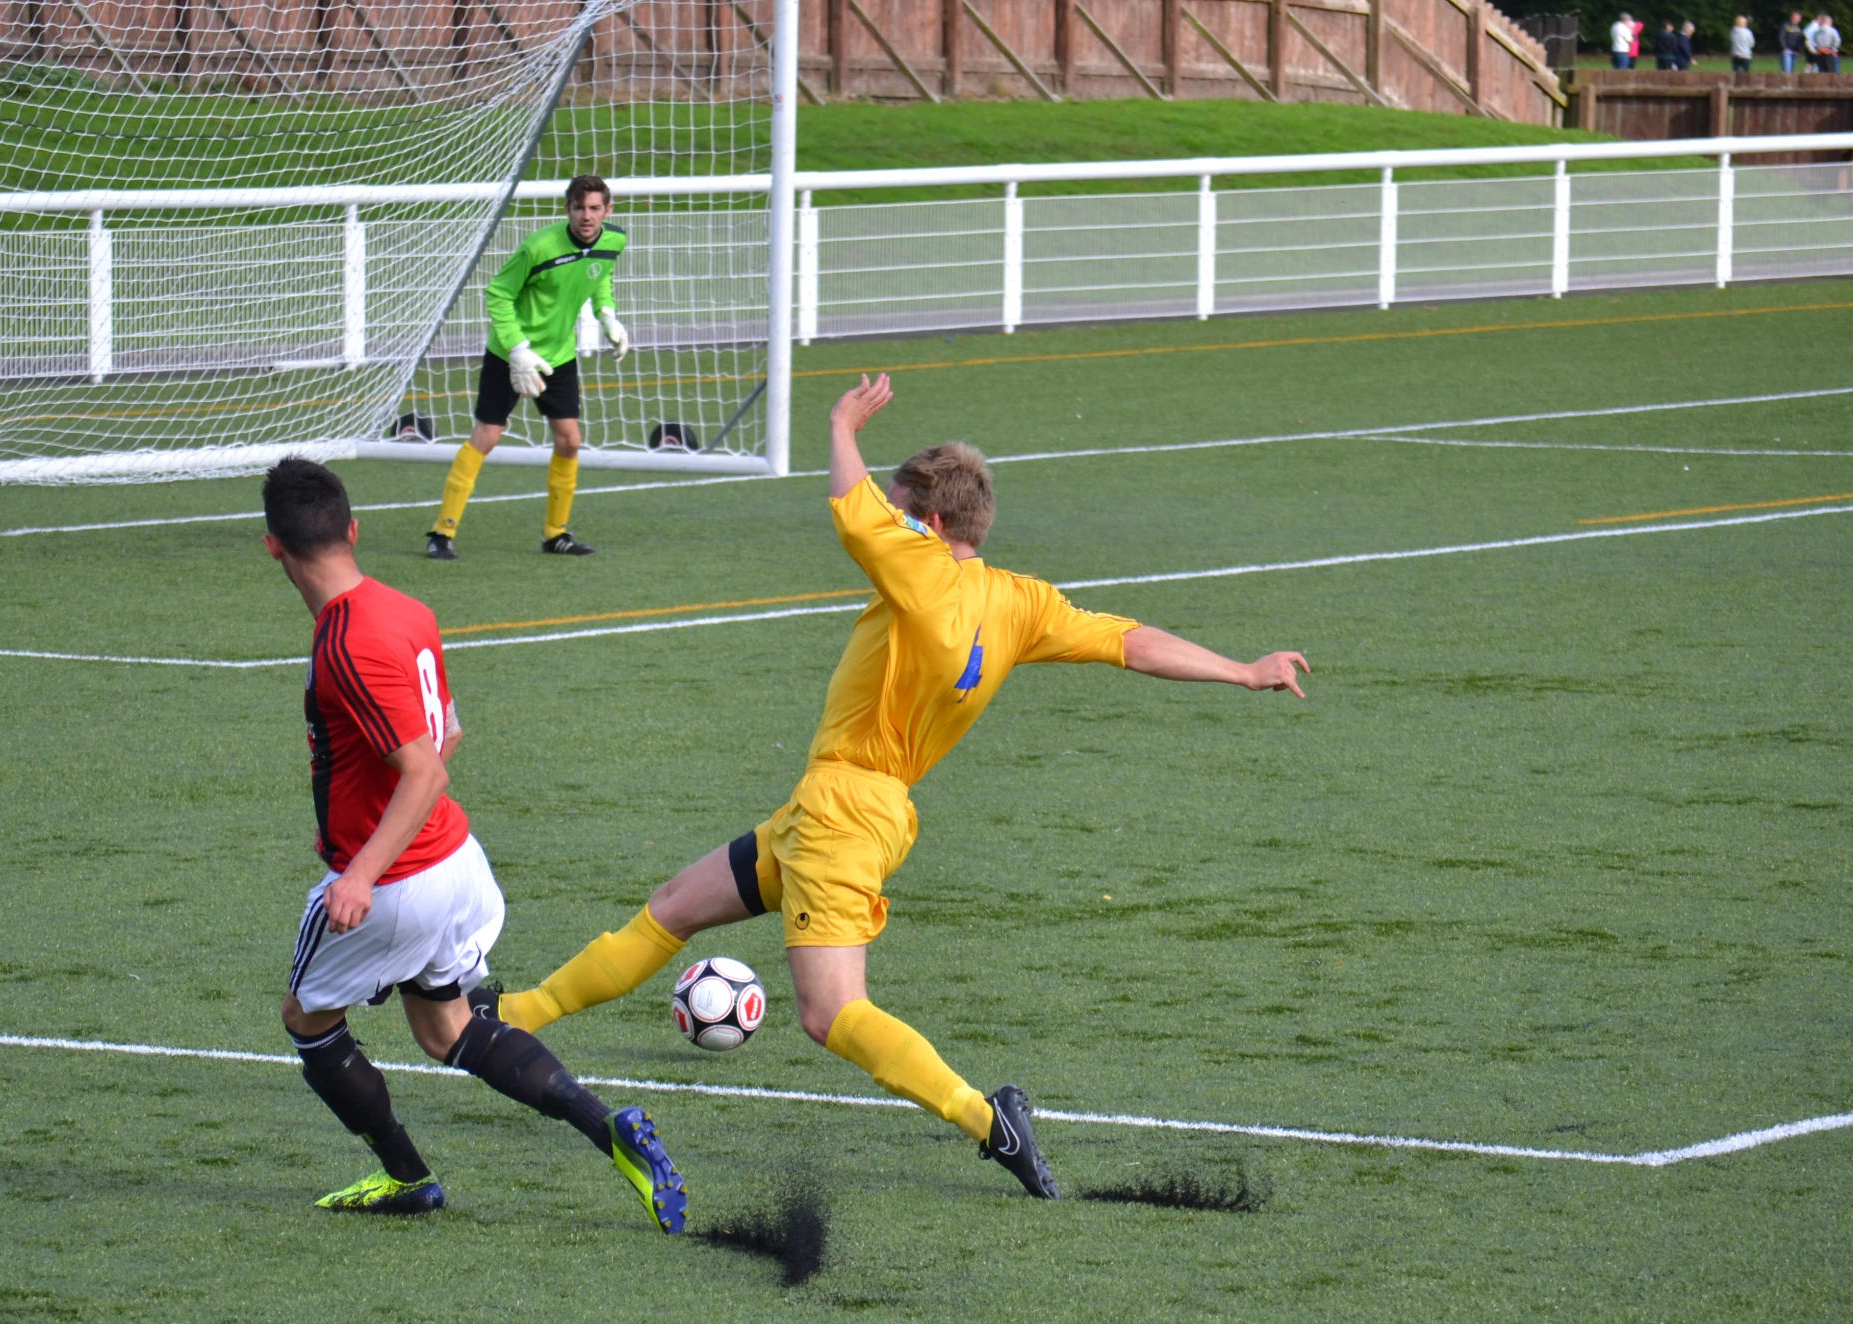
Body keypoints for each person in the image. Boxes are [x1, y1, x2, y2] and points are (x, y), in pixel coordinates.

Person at [484, 376, 1311, 1202]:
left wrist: (842, 423)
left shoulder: (919, 567)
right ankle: (514, 1013)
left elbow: (849, 506)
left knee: (831, 1014)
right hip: (847, 807)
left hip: (843, 813)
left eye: (901, 501)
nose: (888, 507)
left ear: (933, 523)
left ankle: (991, 1120)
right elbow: (1130, 641)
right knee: (673, 906)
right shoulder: (1018, 600)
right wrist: (1242, 670)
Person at [261, 457, 687, 1231]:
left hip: (395, 881)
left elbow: (423, 765)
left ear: (272, 547)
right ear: (353, 531)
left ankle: (406, 1176)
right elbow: (448, 733)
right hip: (456, 863)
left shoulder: (344, 646)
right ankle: (608, 1127)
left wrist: (362, 875)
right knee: (445, 1029)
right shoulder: (407, 610)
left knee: (305, 1015)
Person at [427, 174, 628, 561]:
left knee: (570, 440)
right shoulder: (539, 247)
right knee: (488, 435)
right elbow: (498, 293)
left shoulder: (614, 239)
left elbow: (600, 277)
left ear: (607, 210)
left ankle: (556, 534)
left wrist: (607, 315)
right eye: (579, 208)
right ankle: (441, 533)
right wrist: (517, 349)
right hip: (509, 354)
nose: (587, 216)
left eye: (594, 208)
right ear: (567, 208)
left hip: (559, 356)